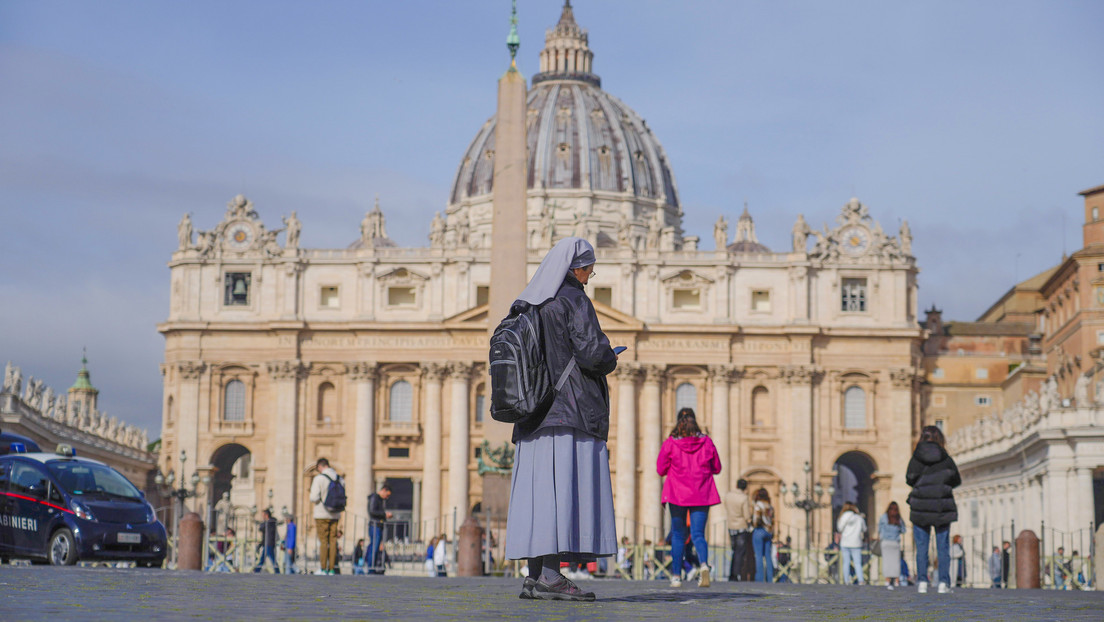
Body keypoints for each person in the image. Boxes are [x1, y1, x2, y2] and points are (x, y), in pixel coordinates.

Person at [503, 237, 619, 602]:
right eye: (589, 269)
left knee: (540, 493)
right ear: (576, 268)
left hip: (532, 414)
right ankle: (552, 577)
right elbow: (591, 351)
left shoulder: (527, 303)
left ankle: (535, 576)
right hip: (568, 411)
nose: (589, 277)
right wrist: (610, 357)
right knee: (560, 493)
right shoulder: (573, 299)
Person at [657, 407, 722, 588]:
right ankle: (703, 565)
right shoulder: (707, 442)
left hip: (677, 494)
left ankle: (676, 576)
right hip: (701, 493)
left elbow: (660, 469)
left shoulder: (670, 443)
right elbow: (717, 467)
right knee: (698, 534)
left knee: (678, 535)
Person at [906, 425, 961, 594]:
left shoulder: (916, 458)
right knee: (943, 547)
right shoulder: (946, 458)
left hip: (921, 506)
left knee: (922, 547)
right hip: (941, 506)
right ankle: (943, 583)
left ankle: (922, 581)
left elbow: (909, 479)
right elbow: (956, 479)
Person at [309, 457, 343, 575]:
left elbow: (313, 497)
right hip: (335, 513)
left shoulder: (319, 478)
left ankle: (323, 568)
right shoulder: (340, 478)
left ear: (320, 466)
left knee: (323, 541)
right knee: (333, 541)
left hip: (322, 514)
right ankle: (332, 569)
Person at [724, 478, 753, 581]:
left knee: (734, 550)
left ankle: (731, 573)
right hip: (741, 527)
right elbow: (746, 515)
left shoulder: (728, 496)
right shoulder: (743, 498)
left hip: (731, 526)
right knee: (740, 552)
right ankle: (736, 574)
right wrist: (750, 521)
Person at [878, 501, 907, 589]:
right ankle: (897, 581)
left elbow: (879, 529)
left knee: (887, 562)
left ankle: (887, 580)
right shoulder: (898, 518)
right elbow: (904, 530)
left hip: (886, 542)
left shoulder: (884, 517)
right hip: (895, 542)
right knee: (896, 562)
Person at [365, 484, 393, 574]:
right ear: (383, 490)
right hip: (375, 525)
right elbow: (372, 511)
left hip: (377, 525)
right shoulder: (374, 498)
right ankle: (371, 568)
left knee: (375, 547)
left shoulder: (379, 499)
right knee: (374, 547)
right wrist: (385, 514)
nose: (387, 497)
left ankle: (372, 567)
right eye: (387, 495)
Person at [837, 502, 867, 585]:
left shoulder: (843, 517)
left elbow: (839, 528)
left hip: (845, 542)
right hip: (856, 543)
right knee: (857, 562)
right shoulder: (859, 517)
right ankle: (861, 580)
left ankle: (846, 580)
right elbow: (864, 529)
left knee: (846, 562)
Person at [751, 487, 775, 582]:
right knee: (768, 556)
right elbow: (773, 520)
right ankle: (770, 578)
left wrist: (753, 524)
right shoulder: (770, 506)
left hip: (759, 530)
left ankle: (760, 579)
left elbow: (756, 519)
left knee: (759, 556)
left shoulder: (758, 505)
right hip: (768, 532)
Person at [253, 509, 279, 573]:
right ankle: (257, 570)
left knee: (271, 558)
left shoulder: (270, 523)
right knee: (263, 558)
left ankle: (277, 571)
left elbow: (261, 528)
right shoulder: (270, 522)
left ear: (266, 515)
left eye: (263, 515)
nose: (262, 517)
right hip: (267, 543)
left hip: (269, 543)